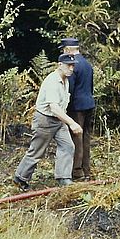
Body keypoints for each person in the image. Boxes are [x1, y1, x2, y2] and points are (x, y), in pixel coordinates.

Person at [13, 53, 82, 190]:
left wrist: (65, 121)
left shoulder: (65, 80)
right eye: (69, 65)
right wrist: (72, 123)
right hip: (45, 120)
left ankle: (63, 178)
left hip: (59, 120)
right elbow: (54, 108)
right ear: (60, 65)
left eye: (73, 65)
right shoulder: (52, 81)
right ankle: (21, 177)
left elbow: (60, 108)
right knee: (37, 151)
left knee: (68, 146)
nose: (71, 68)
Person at [59, 37, 95, 181]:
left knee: (76, 139)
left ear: (68, 50)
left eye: (64, 50)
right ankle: (87, 170)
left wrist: (65, 106)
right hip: (89, 103)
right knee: (86, 137)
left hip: (76, 106)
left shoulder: (72, 65)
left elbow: (70, 89)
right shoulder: (87, 64)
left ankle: (77, 172)